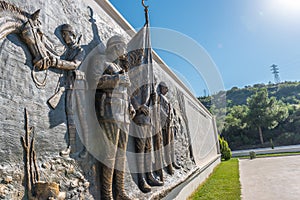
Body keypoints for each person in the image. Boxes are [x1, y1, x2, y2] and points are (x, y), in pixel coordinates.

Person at [95, 35, 135, 200]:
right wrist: (117, 79)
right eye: (122, 48)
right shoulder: (102, 62)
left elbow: (125, 93)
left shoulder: (120, 67)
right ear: (114, 47)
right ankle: (107, 194)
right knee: (110, 155)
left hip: (124, 116)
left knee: (120, 155)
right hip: (110, 114)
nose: (124, 52)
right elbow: (95, 82)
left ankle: (120, 191)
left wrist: (130, 107)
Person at [49, 24, 86, 156]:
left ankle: (86, 149)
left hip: (79, 88)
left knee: (81, 118)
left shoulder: (80, 51)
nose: (64, 37)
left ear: (73, 34)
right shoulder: (68, 51)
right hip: (69, 85)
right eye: (63, 35)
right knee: (70, 117)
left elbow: (74, 64)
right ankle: (71, 145)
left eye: (66, 34)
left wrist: (57, 63)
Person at [131, 83, 164, 193]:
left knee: (148, 149)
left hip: (148, 120)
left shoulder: (149, 80)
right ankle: (142, 179)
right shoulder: (136, 73)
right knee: (140, 151)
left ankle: (149, 175)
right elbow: (128, 92)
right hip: (139, 118)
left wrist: (153, 100)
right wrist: (138, 106)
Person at [157, 82, 180, 175]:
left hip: (170, 124)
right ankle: (168, 164)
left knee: (171, 145)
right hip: (164, 125)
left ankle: (172, 161)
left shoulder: (165, 98)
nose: (167, 91)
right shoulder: (160, 97)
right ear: (162, 88)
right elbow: (160, 109)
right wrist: (166, 118)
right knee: (166, 145)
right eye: (166, 89)